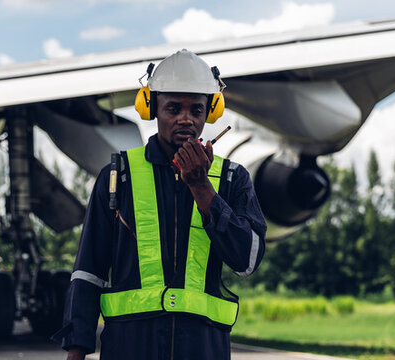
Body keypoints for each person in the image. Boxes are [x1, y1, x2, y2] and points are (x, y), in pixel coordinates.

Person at [58, 49, 267, 360]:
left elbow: (247, 261)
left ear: (210, 112)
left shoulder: (231, 179)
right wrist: (76, 351)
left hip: (203, 347)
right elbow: (89, 271)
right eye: (173, 108)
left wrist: (201, 186)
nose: (186, 119)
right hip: (129, 347)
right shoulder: (118, 177)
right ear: (151, 107)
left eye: (196, 110)